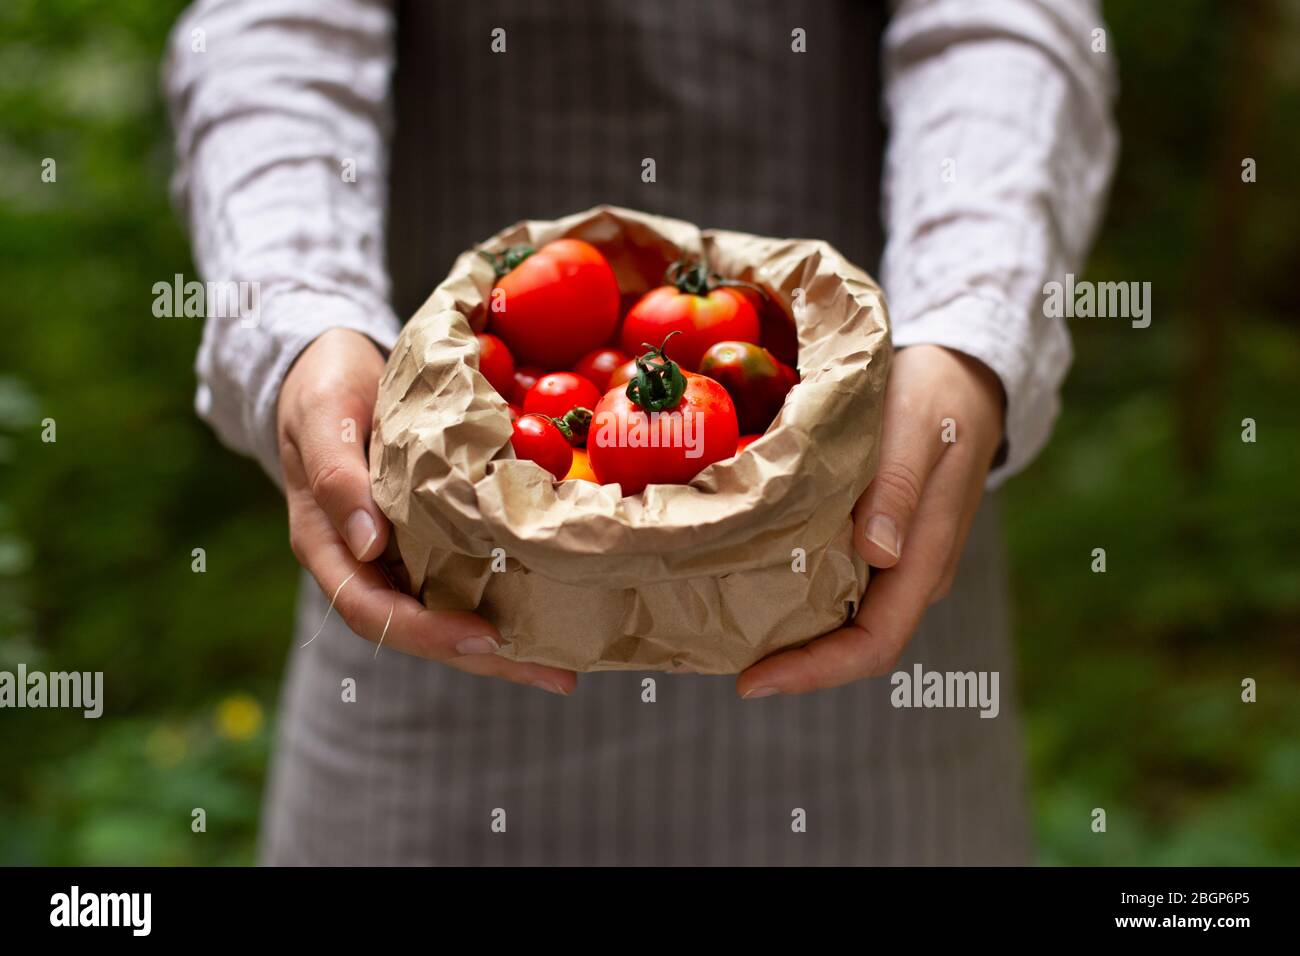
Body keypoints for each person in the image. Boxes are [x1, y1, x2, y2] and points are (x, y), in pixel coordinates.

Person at [165, 0, 1116, 864]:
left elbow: (1002, 22)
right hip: (441, 571)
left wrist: (968, 330)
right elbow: (274, 30)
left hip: (857, 538)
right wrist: (299, 316)